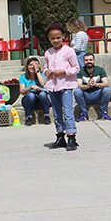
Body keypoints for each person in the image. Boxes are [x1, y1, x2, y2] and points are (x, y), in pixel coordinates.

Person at [43, 23, 79, 151]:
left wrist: (64, 71)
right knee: (57, 112)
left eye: (58, 37)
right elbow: (46, 66)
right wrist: (46, 71)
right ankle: (60, 135)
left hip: (65, 85)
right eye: (53, 38)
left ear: (63, 36)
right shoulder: (48, 53)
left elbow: (76, 68)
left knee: (68, 111)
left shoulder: (68, 51)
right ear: (49, 38)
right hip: (52, 86)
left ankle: (71, 136)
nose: (56, 40)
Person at [74, 53, 111, 122]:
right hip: (86, 95)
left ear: (94, 60)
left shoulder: (100, 70)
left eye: (90, 60)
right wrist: (87, 86)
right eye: (86, 60)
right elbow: (79, 85)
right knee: (77, 91)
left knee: (107, 90)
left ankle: (103, 112)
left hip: (98, 95)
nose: (89, 62)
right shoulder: (80, 71)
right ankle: (84, 114)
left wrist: (96, 84)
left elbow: (106, 84)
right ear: (83, 61)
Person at [19, 56, 51, 126]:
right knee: (31, 95)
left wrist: (37, 71)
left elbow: (42, 83)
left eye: (35, 65)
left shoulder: (42, 74)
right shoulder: (23, 77)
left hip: (41, 100)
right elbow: (22, 91)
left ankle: (46, 116)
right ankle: (28, 117)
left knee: (43, 94)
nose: (32, 67)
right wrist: (31, 87)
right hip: (28, 101)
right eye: (30, 65)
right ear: (27, 66)